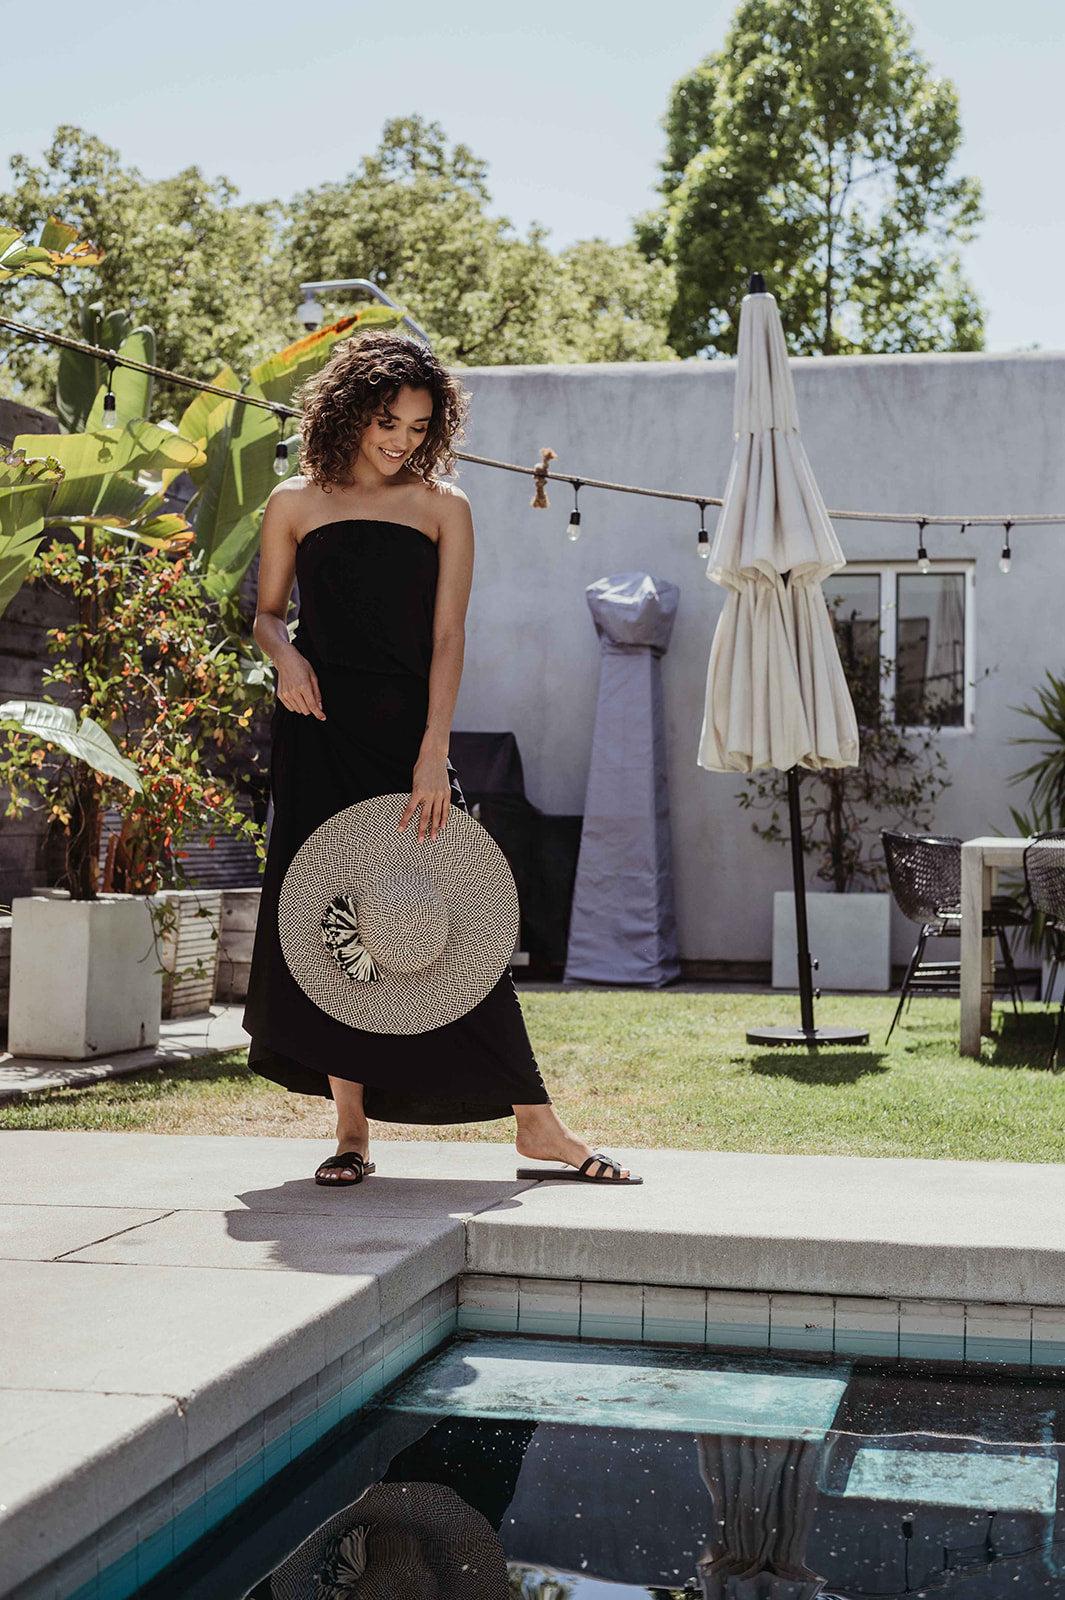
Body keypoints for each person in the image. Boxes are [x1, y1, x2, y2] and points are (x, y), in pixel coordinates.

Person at [242, 330, 636, 1186]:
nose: (401, 440)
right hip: (316, 733)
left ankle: (536, 1124)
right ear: (349, 411)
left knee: (456, 928)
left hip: (403, 740)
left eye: (418, 426)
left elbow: (449, 636)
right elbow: (267, 615)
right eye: (389, 420)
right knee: (329, 923)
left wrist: (433, 754)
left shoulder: (441, 505)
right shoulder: (294, 502)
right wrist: (286, 655)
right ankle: (351, 1130)